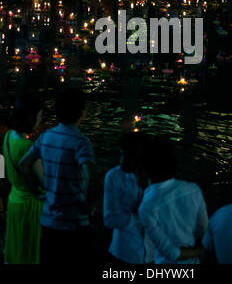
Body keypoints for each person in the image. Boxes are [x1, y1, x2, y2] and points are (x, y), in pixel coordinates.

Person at [19, 88, 97, 266]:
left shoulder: (46, 136)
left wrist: (36, 191)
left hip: (48, 221)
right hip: (74, 223)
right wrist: (88, 205)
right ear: (82, 112)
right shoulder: (81, 142)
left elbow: (24, 164)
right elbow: (91, 176)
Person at [138, 138, 208, 264]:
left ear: (145, 167)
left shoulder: (147, 206)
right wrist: (200, 250)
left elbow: (171, 253)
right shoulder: (193, 190)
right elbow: (203, 230)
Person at [2, 93, 44, 264]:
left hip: (14, 200)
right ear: (30, 117)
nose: (40, 121)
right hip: (31, 206)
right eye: (39, 116)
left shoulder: (8, 137)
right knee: (29, 250)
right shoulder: (28, 147)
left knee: (16, 248)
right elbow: (45, 182)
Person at [103, 131, 153, 264]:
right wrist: (139, 217)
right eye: (122, 154)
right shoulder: (114, 177)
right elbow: (109, 220)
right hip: (124, 252)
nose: (123, 160)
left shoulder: (155, 179)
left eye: (129, 156)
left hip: (152, 255)